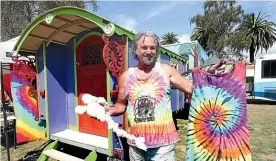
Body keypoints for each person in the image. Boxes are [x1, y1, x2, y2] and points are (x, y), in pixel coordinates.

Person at [105, 31, 226, 161]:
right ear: (136, 50)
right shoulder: (126, 77)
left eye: (152, 48)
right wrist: (110, 110)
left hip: (163, 146)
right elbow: (121, 104)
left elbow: (192, 88)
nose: (149, 51)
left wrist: (209, 75)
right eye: (144, 47)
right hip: (136, 144)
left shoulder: (166, 70)